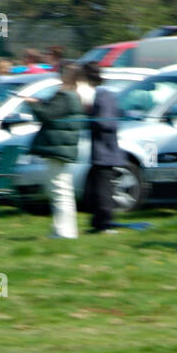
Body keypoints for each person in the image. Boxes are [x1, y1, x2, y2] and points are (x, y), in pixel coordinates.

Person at [26, 61, 86, 239]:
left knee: (59, 191)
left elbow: (47, 115)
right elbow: (54, 112)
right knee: (63, 190)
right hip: (63, 147)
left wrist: (33, 104)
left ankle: (63, 231)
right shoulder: (73, 95)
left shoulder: (64, 95)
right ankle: (65, 230)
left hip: (57, 148)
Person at [80, 61, 124, 234]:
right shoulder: (98, 94)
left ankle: (106, 224)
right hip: (100, 152)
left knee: (104, 191)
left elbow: (107, 123)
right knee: (96, 190)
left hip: (105, 152)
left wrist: (89, 117)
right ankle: (97, 223)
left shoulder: (102, 95)